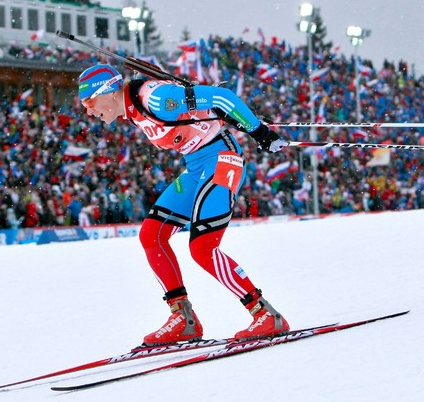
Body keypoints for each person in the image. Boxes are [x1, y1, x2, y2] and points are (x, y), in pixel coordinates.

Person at [78, 63, 290, 345]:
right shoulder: (133, 108)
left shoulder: (155, 99)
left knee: (203, 247)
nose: (89, 111)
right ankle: (183, 318)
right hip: (196, 167)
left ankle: (265, 314)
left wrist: (259, 132)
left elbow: (221, 97)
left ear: (110, 91)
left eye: (89, 102)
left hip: (221, 159)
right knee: (152, 235)